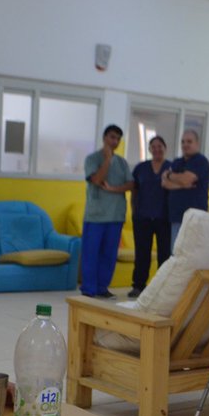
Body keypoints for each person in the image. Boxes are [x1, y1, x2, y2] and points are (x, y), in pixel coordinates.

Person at [82, 124, 132, 298]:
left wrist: (113, 189)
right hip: (95, 216)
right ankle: (89, 289)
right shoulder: (92, 159)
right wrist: (108, 160)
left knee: (109, 255)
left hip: (115, 216)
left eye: (118, 139)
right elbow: (96, 179)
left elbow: (131, 184)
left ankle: (102, 287)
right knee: (91, 253)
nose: (115, 141)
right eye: (112, 137)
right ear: (104, 138)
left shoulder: (123, 162)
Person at [129, 135, 172, 298]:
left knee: (165, 254)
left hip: (164, 218)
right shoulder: (141, 168)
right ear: (149, 149)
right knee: (142, 253)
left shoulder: (172, 167)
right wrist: (134, 210)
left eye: (160, 146)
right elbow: (134, 190)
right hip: (142, 218)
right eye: (153, 146)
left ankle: (162, 288)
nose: (157, 149)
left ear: (165, 148)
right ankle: (138, 286)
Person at [161, 129, 209, 245]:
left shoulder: (201, 161)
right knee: (176, 254)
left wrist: (170, 175)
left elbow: (187, 179)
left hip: (194, 219)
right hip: (176, 218)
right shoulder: (177, 162)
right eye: (183, 142)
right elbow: (164, 183)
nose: (185, 145)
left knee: (192, 256)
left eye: (189, 141)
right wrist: (182, 183)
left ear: (197, 144)